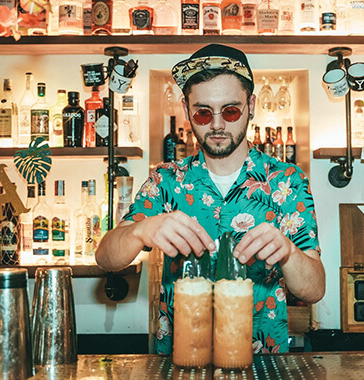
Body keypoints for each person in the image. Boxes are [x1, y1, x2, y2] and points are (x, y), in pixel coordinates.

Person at [96, 44, 325, 355]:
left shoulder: (287, 181)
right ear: (187, 109)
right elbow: (106, 258)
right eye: (203, 112)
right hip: (182, 362)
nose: (217, 124)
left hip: (262, 363)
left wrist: (287, 253)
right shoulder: (166, 180)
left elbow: (314, 290)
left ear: (251, 105)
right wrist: (140, 230)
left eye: (230, 110)